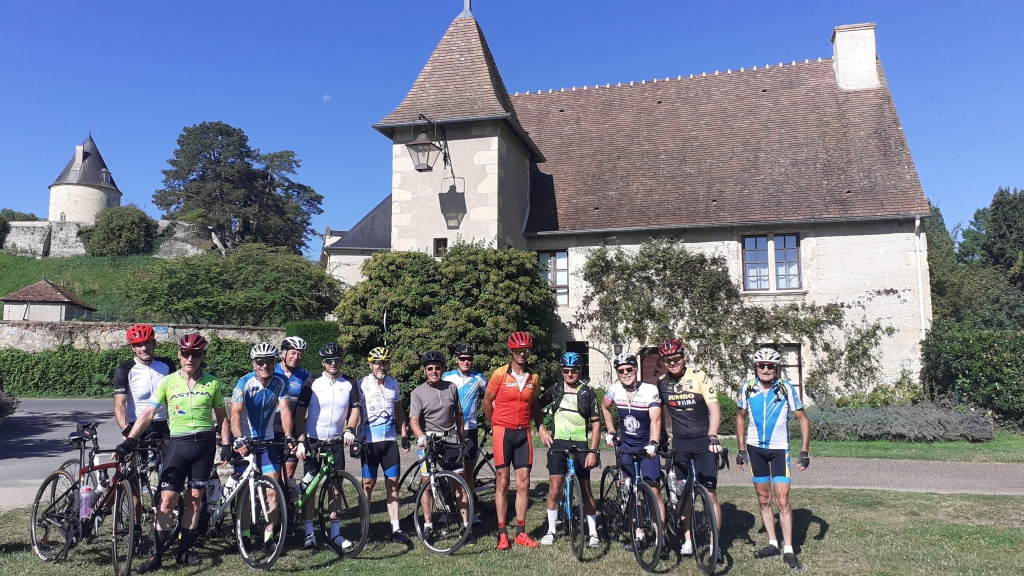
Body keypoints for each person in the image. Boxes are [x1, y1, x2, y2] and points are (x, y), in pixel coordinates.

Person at [116, 333, 230, 573]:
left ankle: (183, 552)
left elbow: (222, 417)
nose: (190, 359)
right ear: (179, 355)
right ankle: (156, 556)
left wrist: (227, 444)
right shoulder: (167, 382)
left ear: (203, 356)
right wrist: (130, 439)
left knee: (195, 499)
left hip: (204, 446)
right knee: (167, 500)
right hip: (178, 444)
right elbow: (148, 413)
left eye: (196, 354)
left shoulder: (213, 383)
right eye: (186, 354)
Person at [735, 347, 811, 571]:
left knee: (783, 500)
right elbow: (740, 417)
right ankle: (772, 543)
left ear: (776, 368)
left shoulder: (786, 388)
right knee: (763, 498)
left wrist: (804, 451)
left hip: (779, 449)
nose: (766, 369)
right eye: (762, 365)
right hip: (755, 449)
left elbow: (803, 419)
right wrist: (741, 449)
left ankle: (789, 549)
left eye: (770, 366)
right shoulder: (747, 387)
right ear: (756, 367)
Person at [656, 337, 723, 560]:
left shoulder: (699, 376)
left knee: (710, 494)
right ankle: (687, 540)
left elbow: (715, 409)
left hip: (704, 443)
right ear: (663, 361)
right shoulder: (662, 382)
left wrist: (713, 436)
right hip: (681, 445)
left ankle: (714, 545)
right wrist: (661, 436)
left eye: (676, 358)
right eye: (668, 360)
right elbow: (657, 412)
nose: (672, 362)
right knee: (682, 493)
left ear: (684, 357)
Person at [294, 342, 361, 550]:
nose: (333, 363)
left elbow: (355, 410)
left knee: (336, 488)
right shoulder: (312, 381)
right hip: (314, 441)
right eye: (329, 360)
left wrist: (350, 429)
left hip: (335, 442)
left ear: (341, 361)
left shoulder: (349, 382)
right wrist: (301, 440)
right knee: (311, 488)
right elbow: (299, 412)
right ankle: (309, 533)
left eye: (337, 359)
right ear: (323, 362)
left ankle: (335, 533)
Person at [230, 342, 294, 551]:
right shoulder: (244, 382)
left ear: (275, 362)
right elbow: (235, 412)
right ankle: (245, 535)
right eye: (260, 362)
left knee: (272, 491)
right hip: (245, 442)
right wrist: (239, 438)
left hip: (266, 442)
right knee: (245, 494)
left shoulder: (281, 381)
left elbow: (285, 410)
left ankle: (268, 537)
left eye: (269, 361)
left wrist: (289, 436)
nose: (264, 365)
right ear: (253, 363)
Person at [483, 331, 544, 550]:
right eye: (518, 350)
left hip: (523, 433)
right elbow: (487, 401)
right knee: (502, 482)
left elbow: (535, 406)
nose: (522, 354)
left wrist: (541, 427)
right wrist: (493, 423)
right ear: (512, 351)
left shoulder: (533, 377)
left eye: (525, 350)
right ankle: (502, 533)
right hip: (503, 433)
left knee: (524, 483)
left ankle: (520, 532)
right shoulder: (500, 374)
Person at [601, 353, 664, 552]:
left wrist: (653, 443)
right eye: (621, 371)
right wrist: (611, 431)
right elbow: (605, 407)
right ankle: (639, 535)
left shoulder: (649, 390)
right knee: (631, 492)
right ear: (617, 373)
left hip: (646, 447)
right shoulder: (614, 390)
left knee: (653, 491)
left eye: (629, 369)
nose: (626, 373)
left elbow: (656, 419)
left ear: (636, 369)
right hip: (626, 447)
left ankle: (660, 539)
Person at [537, 351, 601, 548]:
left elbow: (596, 424)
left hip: (581, 444)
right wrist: (542, 429)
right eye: (566, 371)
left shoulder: (588, 393)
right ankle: (551, 530)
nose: (569, 374)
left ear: (580, 371)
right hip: (558, 443)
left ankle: (593, 533)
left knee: (586, 490)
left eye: (573, 371)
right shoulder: (555, 389)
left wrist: (593, 451)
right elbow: (535, 406)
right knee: (555, 488)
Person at [409, 350, 469, 541]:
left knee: (459, 481)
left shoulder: (451, 387)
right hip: (428, 441)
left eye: (437, 368)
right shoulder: (418, 392)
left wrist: (461, 438)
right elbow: (413, 419)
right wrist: (420, 436)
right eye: (430, 369)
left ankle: (465, 525)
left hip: (450, 440)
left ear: (443, 369)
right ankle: (428, 524)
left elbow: (458, 414)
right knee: (427, 483)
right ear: (425, 371)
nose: (433, 371)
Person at [355, 346, 412, 545]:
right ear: (370, 365)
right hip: (369, 443)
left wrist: (404, 434)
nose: (381, 366)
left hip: (389, 442)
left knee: (393, 484)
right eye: (377, 363)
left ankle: (396, 529)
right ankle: (364, 529)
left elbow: (398, 409)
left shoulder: (393, 383)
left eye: (385, 363)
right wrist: (353, 434)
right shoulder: (362, 384)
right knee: (367, 485)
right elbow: (354, 412)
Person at [441, 343, 486, 525]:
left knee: (468, 472)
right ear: (456, 360)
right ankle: (448, 509)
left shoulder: (479, 378)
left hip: (470, 429)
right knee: (449, 472)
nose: (466, 362)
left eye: (469, 359)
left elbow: (492, 398)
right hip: (450, 429)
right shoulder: (447, 376)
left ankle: (470, 511)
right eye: (462, 359)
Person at [114, 324, 174, 442]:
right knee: (129, 453)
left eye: (147, 343)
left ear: (154, 343)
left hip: (162, 424)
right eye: (138, 345)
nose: (144, 348)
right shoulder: (125, 370)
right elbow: (119, 405)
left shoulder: (167, 364)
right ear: (133, 348)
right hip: (136, 425)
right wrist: (126, 431)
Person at [275, 337, 311, 487]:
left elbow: (306, 408)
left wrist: (301, 438)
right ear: (284, 353)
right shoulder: (270, 370)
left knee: (287, 475)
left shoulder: (306, 376)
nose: (296, 357)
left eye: (300, 354)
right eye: (293, 353)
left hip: (293, 430)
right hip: (271, 430)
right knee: (271, 475)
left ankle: (285, 501)